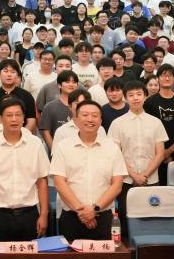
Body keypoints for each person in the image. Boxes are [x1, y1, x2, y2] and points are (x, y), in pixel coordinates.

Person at [0, 97, 51, 242]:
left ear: (24, 118)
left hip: (29, 214)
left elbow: (42, 182)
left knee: (29, 256)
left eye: (18, 115)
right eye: (9, 115)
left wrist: (44, 215)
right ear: (0, 119)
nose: (14, 119)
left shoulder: (35, 144)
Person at [51, 101, 126, 242]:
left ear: (101, 121)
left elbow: (117, 185)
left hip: (103, 217)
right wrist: (82, 211)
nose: (90, 119)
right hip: (71, 218)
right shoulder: (63, 147)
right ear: (76, 119)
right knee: (70, 256)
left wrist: (94, 209)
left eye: (94, 116)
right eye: (85, 115)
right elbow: (59, 183)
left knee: (104, 256)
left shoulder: (112, 148)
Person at [108, 81, 168, 236]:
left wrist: (144, 175)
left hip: (151, 179)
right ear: (125, 98)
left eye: (139, 94)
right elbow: (115, 154)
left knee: (151, 219)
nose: (135, 98)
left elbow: (160, 154)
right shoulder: (117, 123)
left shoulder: (156, 122)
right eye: (131, 95)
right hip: (126, 181)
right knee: (126, 220)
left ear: (145, 96)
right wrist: (135, 175)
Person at [0, 60, 38, 134]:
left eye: (13, 72)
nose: (9, 74)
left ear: (17, 75)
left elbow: (31, 120)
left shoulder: (27, 96)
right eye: (6, 71)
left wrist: (22, 136)